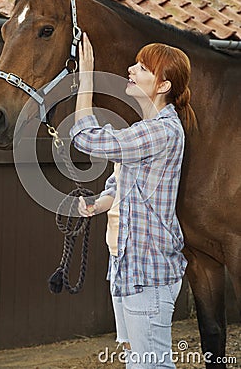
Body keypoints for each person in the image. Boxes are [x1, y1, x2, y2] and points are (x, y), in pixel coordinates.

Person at [69, 33, 197, 368]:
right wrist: (101, 202)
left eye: (141, 67)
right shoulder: (147, 127)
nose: (131, 69)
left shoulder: (161, 131)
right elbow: (123, 183)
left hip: (147, 272)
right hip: (128, 267)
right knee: (137, 361)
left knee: (149, 364)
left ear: (163, 85)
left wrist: (86, 81)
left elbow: (86, 139)